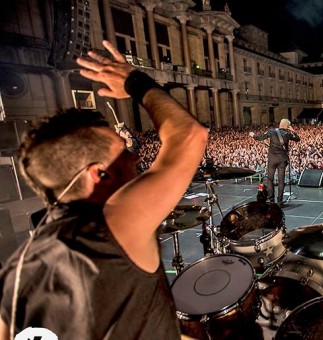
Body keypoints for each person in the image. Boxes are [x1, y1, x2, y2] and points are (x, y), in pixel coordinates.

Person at [0, 40, 208, 339]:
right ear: (98, 174)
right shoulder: (109, 226)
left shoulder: (16, 272)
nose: (136, 156)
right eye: (124, 151)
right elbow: (189, 135)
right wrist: (135, 81)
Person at [249, 119, 300, 205]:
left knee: (270, 179)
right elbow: (298, 139)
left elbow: (260, 137)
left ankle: (271, 200)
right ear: (287, 126)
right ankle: (279, 201)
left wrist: (253, 135)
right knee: (281, 180)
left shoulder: (272, 131)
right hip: (282, 160)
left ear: (280, 124)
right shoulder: (287, 134)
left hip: (272, 159)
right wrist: (293, 131)